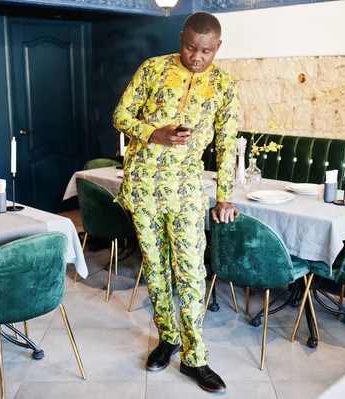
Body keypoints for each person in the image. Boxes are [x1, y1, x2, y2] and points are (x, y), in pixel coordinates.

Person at [112, 12, 240, 393]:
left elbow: (228, 144)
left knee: (190, 272)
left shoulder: (223, 86)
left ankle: (195, 357)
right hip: (143, 189)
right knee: (155, 268)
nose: (196, 57)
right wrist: (153, 133)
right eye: (189, 47)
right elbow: (120, 115)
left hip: (185, 192)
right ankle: (168, 338)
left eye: (205, 51)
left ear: (218, 47)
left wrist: (225, 196)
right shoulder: (152, 69)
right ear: (180, 37)